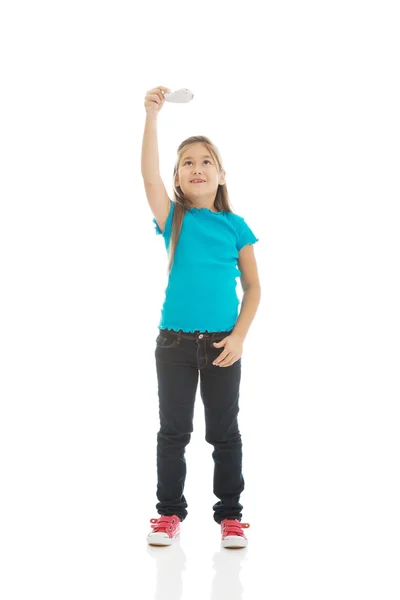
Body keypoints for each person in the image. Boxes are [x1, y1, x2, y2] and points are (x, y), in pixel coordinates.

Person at [141, 86, 261, 549]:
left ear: (221, 175)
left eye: (205, 160)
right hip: (172, 344)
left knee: (224, 432)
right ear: (177, 178)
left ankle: (230, 515)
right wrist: (152, 116)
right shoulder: (175, 219)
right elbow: (148, 178)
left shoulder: (236, 226)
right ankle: (168, 513)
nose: (196, 167)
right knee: (173, 432)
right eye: (187, 162)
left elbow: (254, 288)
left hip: (221, 344)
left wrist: (239, 337)